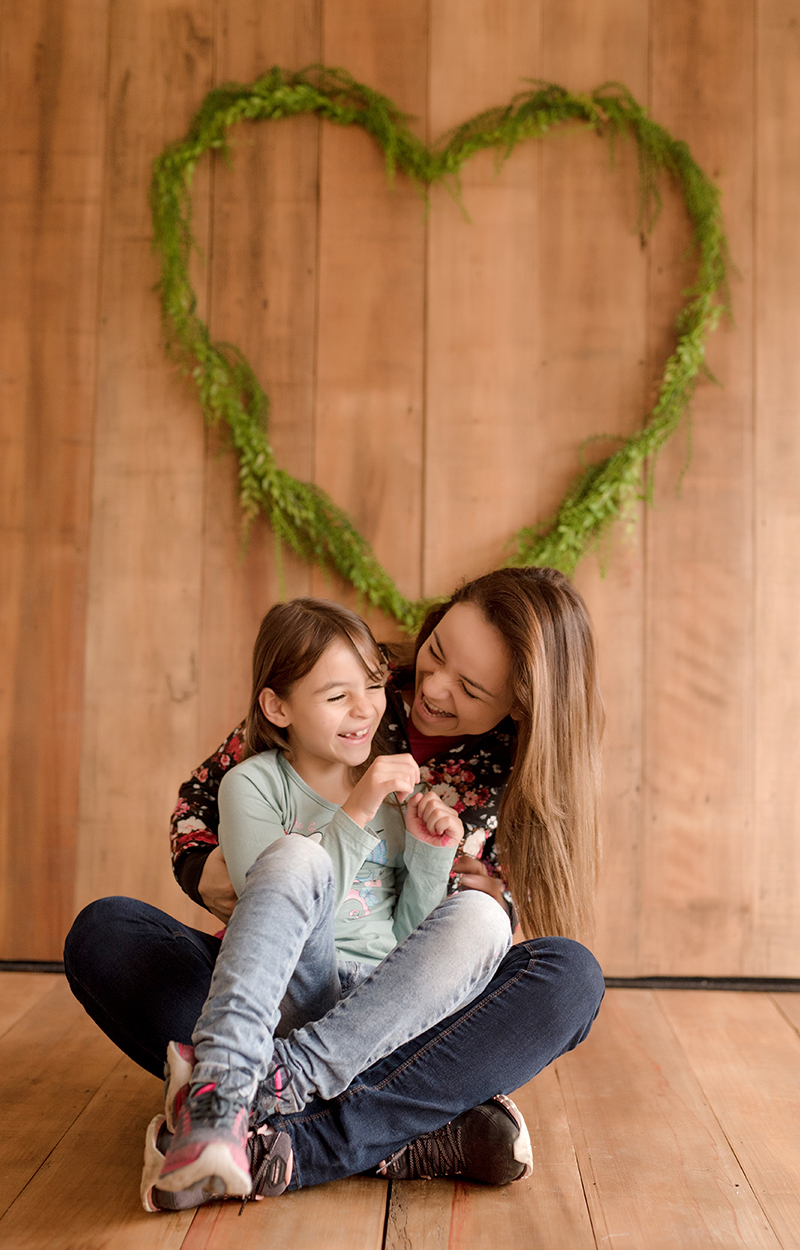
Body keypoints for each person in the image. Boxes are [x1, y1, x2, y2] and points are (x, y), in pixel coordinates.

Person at [64, 566, 606, 1204]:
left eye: (469, 688)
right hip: (280, 977)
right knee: (107, 932)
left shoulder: (524, 773)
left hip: (401, 1007)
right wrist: (204, 865)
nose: (430, 687)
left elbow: (454, 940)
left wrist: (470, 883)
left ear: (520, 705)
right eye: (435, 652)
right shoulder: (351, 675)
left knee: (568, 977)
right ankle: (406, 1130)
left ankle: (252, 1107)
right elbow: (208, 799)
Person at [151, 598, 512, 1205]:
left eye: (372, 686)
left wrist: (431, 854)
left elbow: (411, 937)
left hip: (381, 1007)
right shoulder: (254, 784)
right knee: (292, 858)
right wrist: (357, 809)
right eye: (338, 696)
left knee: (485, 918)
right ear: (277, 708)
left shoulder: (400, 802)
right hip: (296, 985)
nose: (368, 707)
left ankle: (239, 1091)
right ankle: (249, 1089)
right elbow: (276, 911)